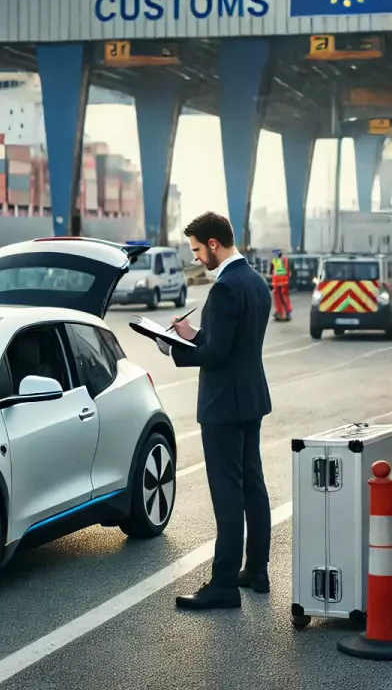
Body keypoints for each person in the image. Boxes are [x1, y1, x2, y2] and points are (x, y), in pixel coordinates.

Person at [155, 211, 272, 611]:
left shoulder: (224, 289)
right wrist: (194, 334)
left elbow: (217, 355)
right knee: (252, 486)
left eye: (196, 250)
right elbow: (231, 341)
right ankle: (256, 570)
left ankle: (223, 584)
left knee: (227, 492)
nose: (197, 258)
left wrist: (171, 347)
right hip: (251, 398)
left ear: (213, 245)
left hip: (223, 404)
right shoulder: (256, 282)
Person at [270, 249, 291, 322]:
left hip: (278, 283)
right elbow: (288, 271)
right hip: (284, 282)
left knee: (280, 299)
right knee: (284, 298)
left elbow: (272, 271)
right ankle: (285, 313)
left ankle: (283, 314)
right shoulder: (285, 260)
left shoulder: (276, 261)